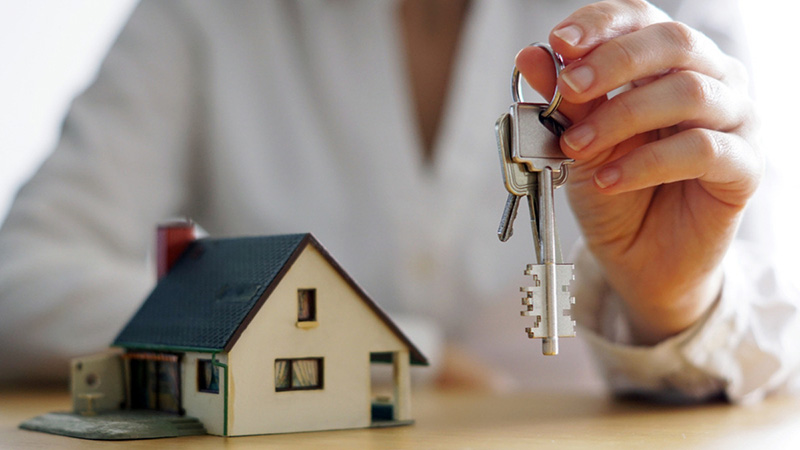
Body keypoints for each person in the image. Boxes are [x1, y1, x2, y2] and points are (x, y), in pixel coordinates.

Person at [0, 0, 796, 403]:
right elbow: (20, 284)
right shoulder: (202, 18)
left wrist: (676, 301)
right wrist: (383, 355)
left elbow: (775, 349)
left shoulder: (665, 24)